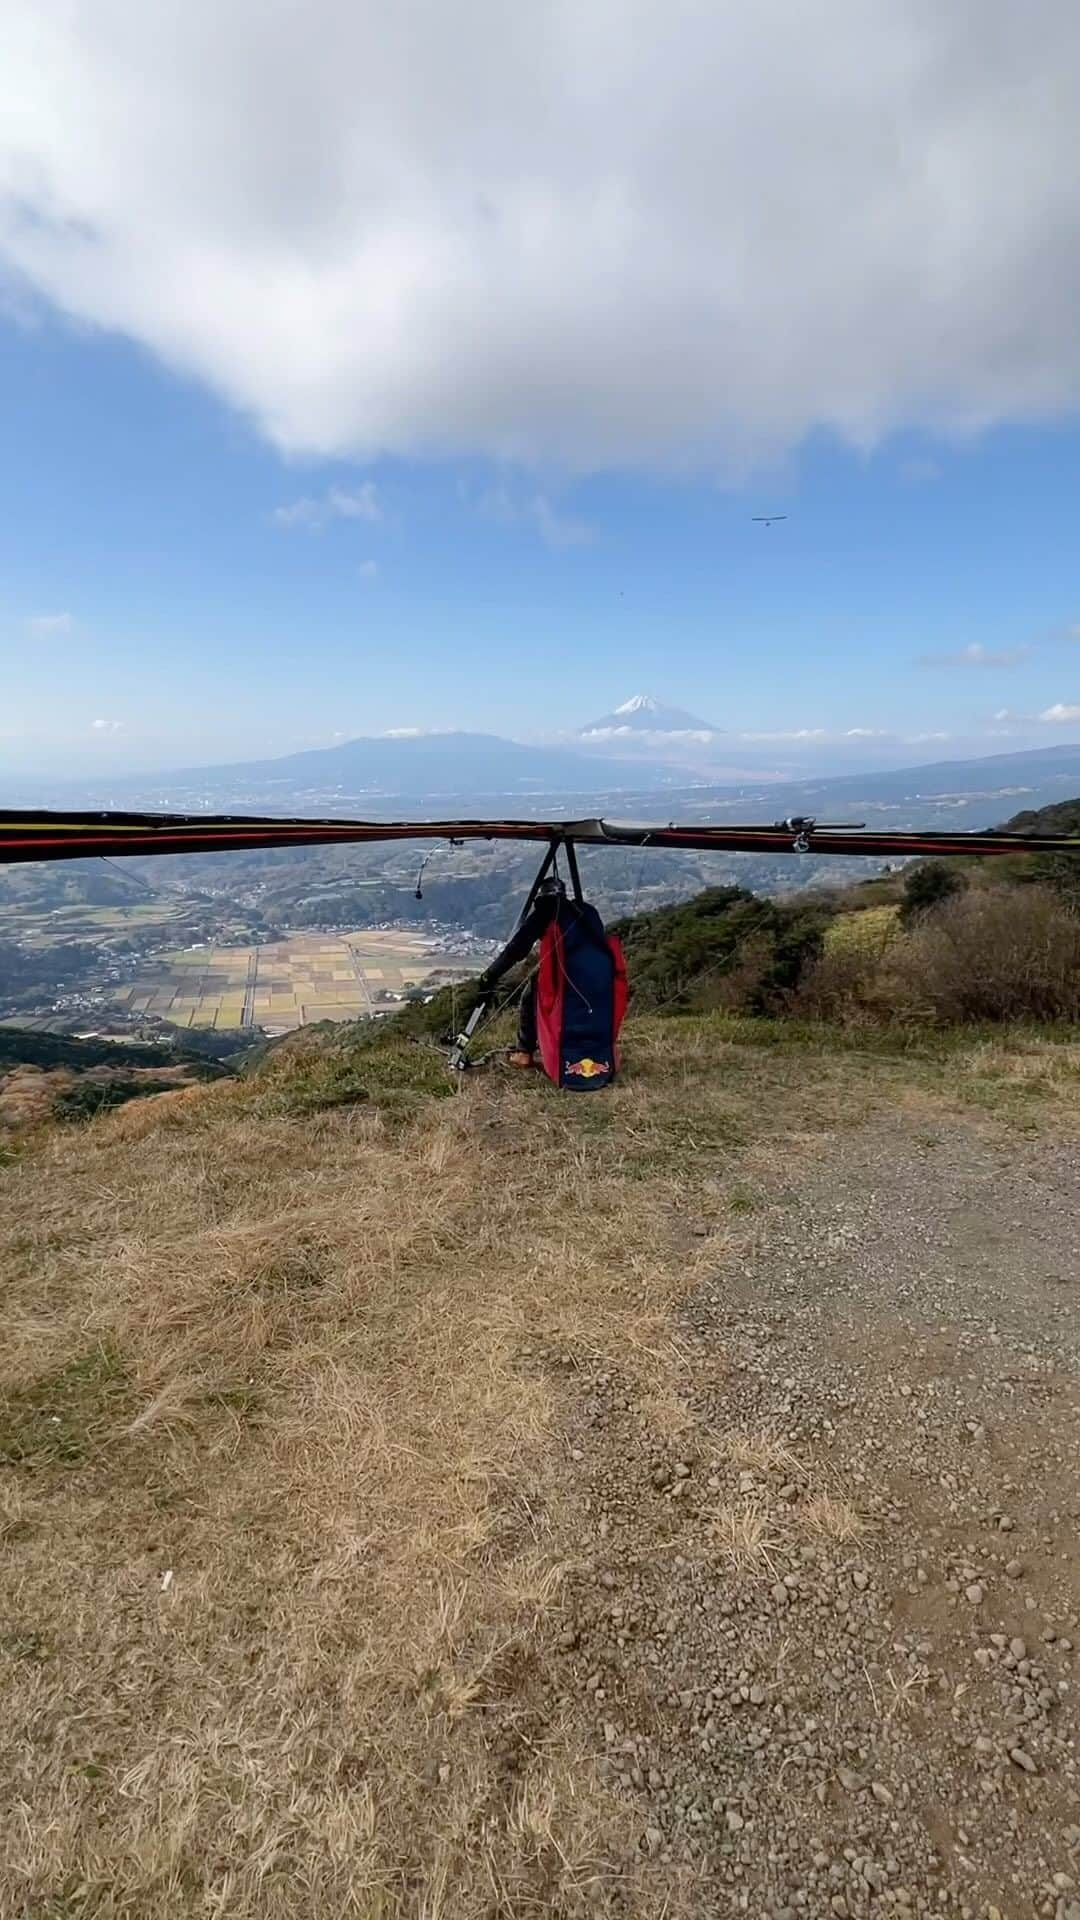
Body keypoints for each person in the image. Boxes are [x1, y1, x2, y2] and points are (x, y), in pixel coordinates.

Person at [477, 875, 628, 1089]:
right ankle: (594, 1053)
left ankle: (524, 1052)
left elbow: (517, 949)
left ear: (542, 897)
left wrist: (491, 974)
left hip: (571, 978)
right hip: (600, 980)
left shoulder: (546, 912)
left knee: (531, 994)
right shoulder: (586, 911)